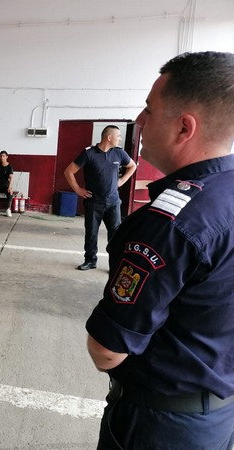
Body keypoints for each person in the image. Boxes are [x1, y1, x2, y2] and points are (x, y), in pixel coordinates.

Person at [86, 51, 234, 450]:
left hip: (161, 424)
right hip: (219, 414)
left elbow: (106, 351)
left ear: (185, 127)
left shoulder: (169, 223)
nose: (139, 120)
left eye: (149, 109)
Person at [64, 125, 136, 270]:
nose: (120, 139)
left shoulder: (119, 153)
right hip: (94, 202)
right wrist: (78, 189)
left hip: (113, 202)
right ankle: (90, 260)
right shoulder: (89, 153)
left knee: (115, 234)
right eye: (118, 136)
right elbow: (69, 172)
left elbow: (132, 166)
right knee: (91, 233)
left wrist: (122, 180)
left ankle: (115, 263)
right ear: (109, 137)